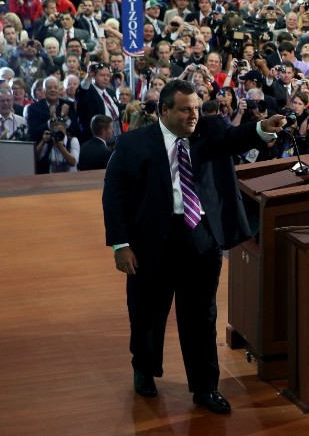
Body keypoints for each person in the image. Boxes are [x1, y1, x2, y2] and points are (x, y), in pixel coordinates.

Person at [102, 79, 288, 414]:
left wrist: (261, 127)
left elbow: (236, 137)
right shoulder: (132, 145)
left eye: (197, 108)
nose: (194, 115)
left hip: (201, 239)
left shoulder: (210, 130)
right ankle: (144, 369)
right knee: (148, 313)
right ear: (164, 110)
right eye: (186, 109)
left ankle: (205, 388)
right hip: (151, 245)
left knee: (201, 317)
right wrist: (120, 245)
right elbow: (113, 197)